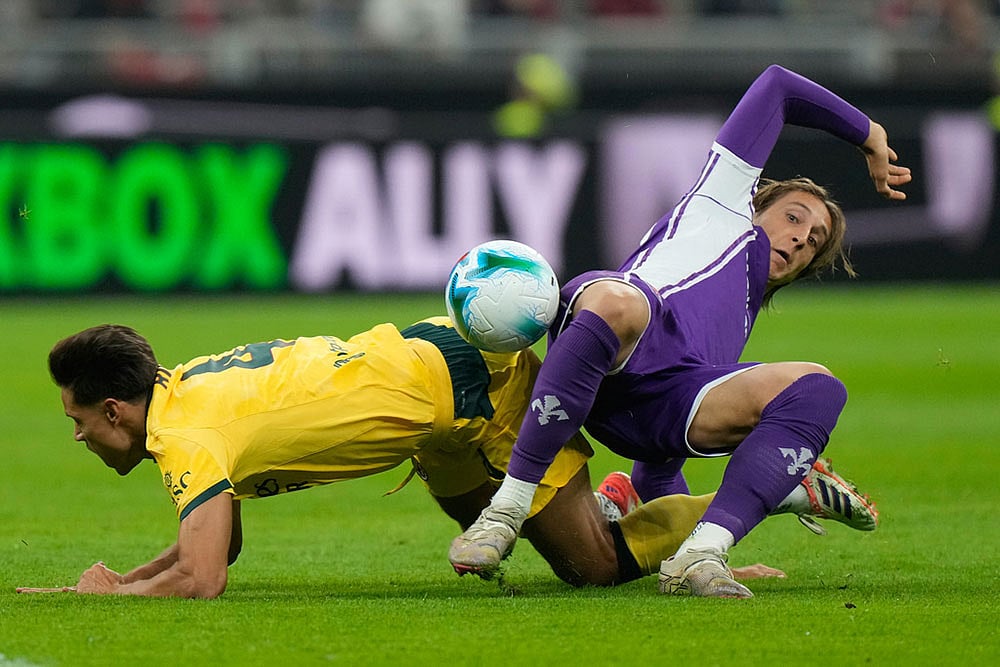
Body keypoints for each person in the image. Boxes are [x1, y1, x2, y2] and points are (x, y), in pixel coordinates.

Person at [449, 64, 909, 598]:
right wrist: (869, 135)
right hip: (607, 330)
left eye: (814, 240)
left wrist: (678, 530)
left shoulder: (732, 324)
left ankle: (704, 554)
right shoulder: (722, 205)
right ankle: (503, 514)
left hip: (651, 406)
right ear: (759, 203)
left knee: (817, 387)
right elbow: (778, 88)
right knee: (621, 302)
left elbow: (660, 472)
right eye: (794, 217)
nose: (802, 237)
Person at [18, 316, 866, 598]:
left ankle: (767, 485)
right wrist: (127, 578)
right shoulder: (187, 389)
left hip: (473, 390)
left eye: (81, 419)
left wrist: (104, 598)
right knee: (478, 520)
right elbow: (219, 534)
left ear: (119, 408)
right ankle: (609, 501)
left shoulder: (186, 435)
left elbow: (205, 576)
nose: (81, 434)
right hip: (432, 398)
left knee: (591, 568)